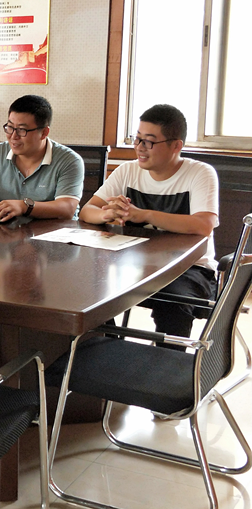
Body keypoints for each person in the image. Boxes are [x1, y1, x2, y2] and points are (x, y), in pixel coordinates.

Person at [79, 103, 219, 348]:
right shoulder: (127, 171)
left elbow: (203, 225)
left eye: (149, 142)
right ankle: (107, 347)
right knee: (87, 287)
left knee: (172, 303)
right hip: (132, 264)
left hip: (190, 269)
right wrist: (107, 213)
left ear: (176, 146)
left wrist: (144, 215)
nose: (140, 147)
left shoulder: (200, 173)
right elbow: (87, 211)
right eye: (138, 139)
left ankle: (169, 361)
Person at [0, 95, 84, 220]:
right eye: (10, 127)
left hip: (55, 233)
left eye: (22, 130)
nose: (13, 136)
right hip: (9, 231)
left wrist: (24, 206)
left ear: (44, 132)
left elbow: (67, 208)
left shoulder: (69, 161)